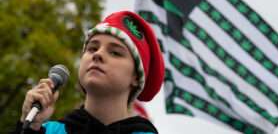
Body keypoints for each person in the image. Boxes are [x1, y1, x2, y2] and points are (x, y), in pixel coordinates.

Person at [13, 10, 165, 134]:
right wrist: (28, 128)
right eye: (92, 48)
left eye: (115, 53)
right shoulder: (47, 131)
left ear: (136, 78)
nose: (97, 54)